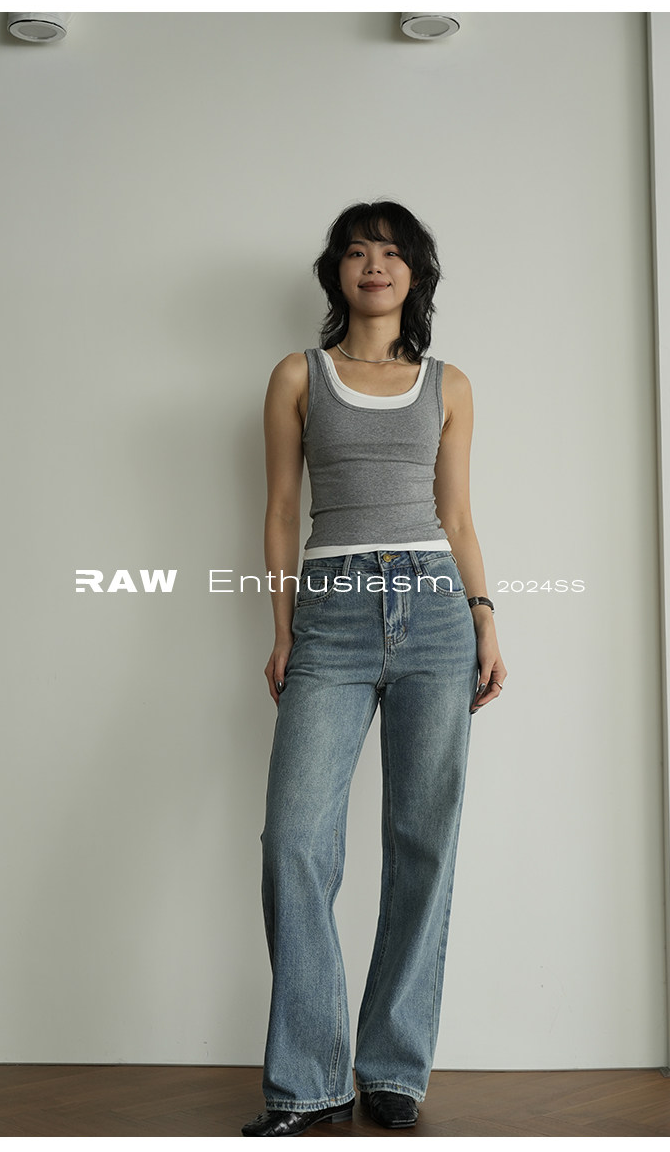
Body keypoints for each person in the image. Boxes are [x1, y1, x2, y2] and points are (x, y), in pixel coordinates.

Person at [242, 201, 506, 1138]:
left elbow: (458, 517)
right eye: (357, 251)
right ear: (338, 274)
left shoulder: (448, 384)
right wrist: (283, 629)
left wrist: (484, 616)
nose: (374, 265)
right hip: (333, 613)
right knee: (294, 841)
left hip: (435, 609)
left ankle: (393, 1071)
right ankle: (310, 1082)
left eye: (391, 253)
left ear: (414, 274)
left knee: (423, 841)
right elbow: (282, 510)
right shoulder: (298, 376)